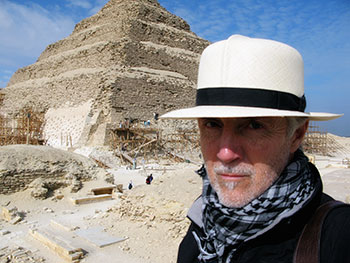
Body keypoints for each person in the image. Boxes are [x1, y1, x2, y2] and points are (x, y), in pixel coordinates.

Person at [160, 35, 350, 263]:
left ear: (296, 135)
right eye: (212, 124)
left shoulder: (338, 237)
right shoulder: (203, 219)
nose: (226, 153)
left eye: (253, 125)